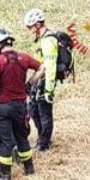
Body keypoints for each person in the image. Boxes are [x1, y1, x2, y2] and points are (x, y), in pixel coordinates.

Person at [0, 28, 44, 180]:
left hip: (3, 105)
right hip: (20, 105)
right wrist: (29, 83)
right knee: (22, 137)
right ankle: (29, 169)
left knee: (4, 140)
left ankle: (5, 174)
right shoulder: (23, 58)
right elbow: (42, 68)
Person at [23, 9, 58, 151]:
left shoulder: (48, 41)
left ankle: (44, 144)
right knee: (33, 109)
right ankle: (42, 139)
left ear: (37, 25)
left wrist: (49, 89)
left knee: (44, 112)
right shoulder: (42, 39)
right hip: (39, 80)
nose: (29, 29)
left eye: (30, 27)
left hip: (45, 82)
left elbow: (50, 66)